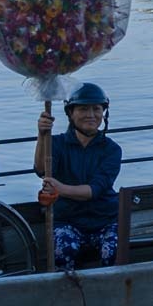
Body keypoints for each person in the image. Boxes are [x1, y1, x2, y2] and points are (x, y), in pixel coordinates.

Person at [34, 82, 123, 271]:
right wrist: (42, 135)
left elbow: (94, 190)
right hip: (67, 221)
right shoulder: (56, 143)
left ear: (103, 113)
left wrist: (59, 188)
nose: (91, 115)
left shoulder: (112, 149)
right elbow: (41, 169)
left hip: (105, 220)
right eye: (83, 109)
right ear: (70, 113)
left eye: (96, 109)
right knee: (64, 249)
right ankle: (66, 288)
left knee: (114, 251)